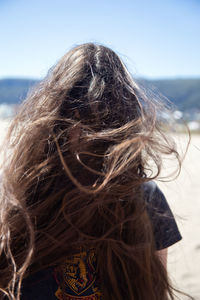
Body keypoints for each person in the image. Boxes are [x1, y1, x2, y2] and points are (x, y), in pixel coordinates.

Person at [0, 43, 185, 300]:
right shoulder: (22, 192)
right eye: (78, 116)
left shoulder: (143, 197)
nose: (89, 132)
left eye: (101, 118)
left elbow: (155, 290)